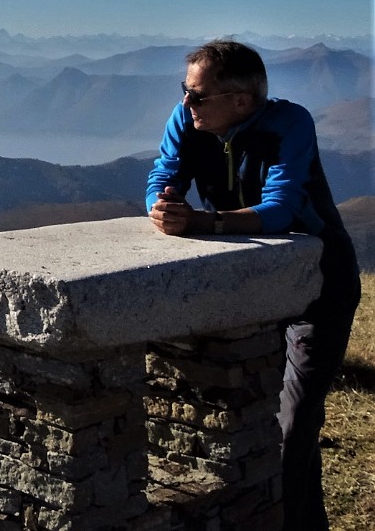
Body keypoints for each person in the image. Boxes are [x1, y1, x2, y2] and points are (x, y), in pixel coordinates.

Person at [146, 39, 361, 530]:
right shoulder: (189, 119)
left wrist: (204, 223)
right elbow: (163, 172)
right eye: (184, 91)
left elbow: (281, 210)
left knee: (294, 423)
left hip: (318, 283)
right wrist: (162, 206)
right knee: (249, 424)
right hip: (246, 287)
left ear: (240, 101)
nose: (186, 103)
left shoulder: (289, 124)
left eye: (198, 95)